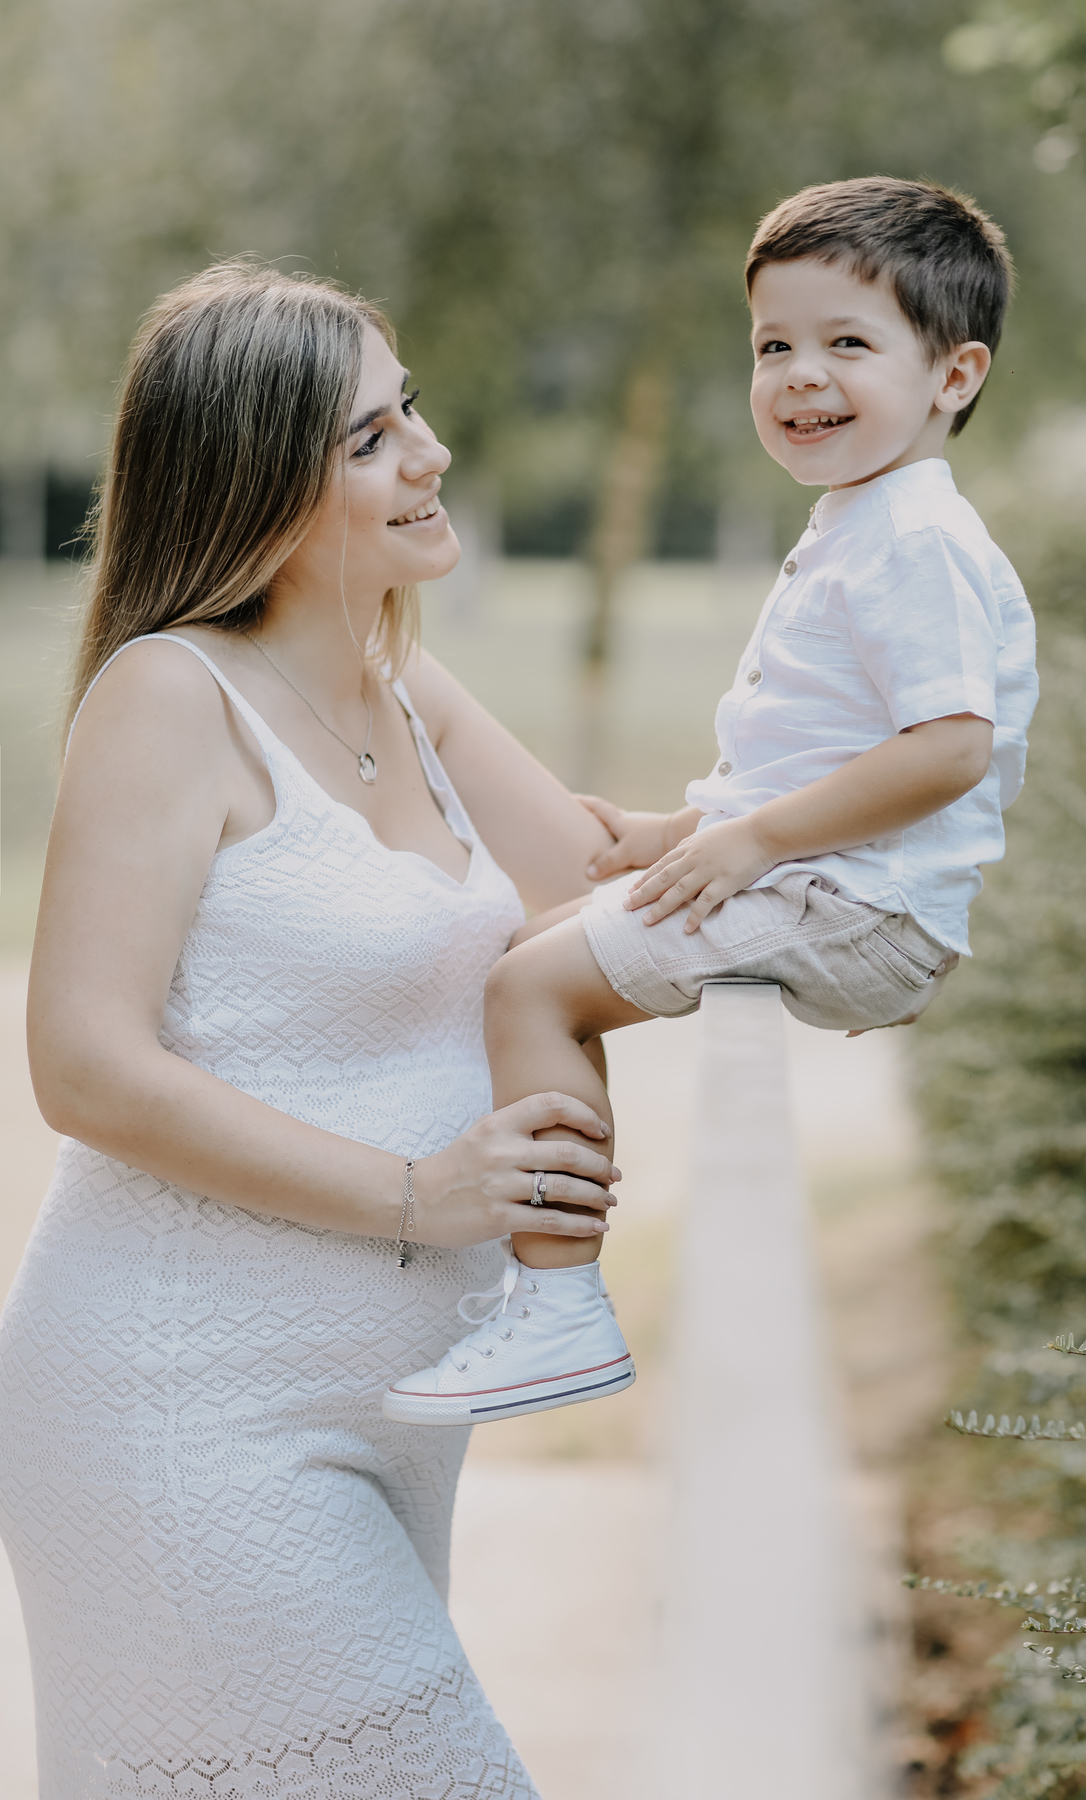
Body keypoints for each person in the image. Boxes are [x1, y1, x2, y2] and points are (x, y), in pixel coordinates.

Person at [0, 261, 625, 1798]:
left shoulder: (400, 685)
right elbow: (83, 1065)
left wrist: (887, 775)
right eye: (370, 437)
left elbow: (614, 875)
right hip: (190, 1412)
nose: (430, 451)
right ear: (255, 486)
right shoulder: (169, 697)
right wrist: (426, 1196)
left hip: (396, 1419)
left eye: (408, 407)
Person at [386, 177, 1039, 1427]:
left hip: (849, 902)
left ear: (954, 377)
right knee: (530, 950)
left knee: (531, 988)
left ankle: (557, 1303)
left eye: (848, 344)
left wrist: (750, 843)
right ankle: (523, 1244)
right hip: (832, 887)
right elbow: (807, 761)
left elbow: (952, 750)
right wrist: (678, 834)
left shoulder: (914, 540)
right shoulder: (861, 523)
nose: (801, 375)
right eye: (774, 345)